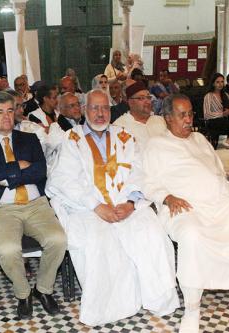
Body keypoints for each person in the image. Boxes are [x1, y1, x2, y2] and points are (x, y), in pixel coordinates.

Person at [46, 90, 179, 326]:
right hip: (87, 208)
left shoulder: (125, 136)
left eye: (105, 108)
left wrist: (129, 203)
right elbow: (64, 180)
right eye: (95, 108)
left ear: (111, 110)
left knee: (151, 233)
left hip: (125, 204)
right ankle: (110, 308)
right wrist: (97, 206)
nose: (100, 113)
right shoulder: (71, 139)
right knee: (100, 241)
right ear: (85, 111)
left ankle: (156, 298)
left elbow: (139, 171)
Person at [142, 93, 229, 333]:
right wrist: (166, 197)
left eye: (190, 114)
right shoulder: (156, 145)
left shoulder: (199, 138)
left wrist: (223, 192)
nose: (188, 119)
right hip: (186, 208)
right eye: (182, 115)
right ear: (167, 118)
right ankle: (192, 308)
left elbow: (218, 171)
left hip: (221, 205)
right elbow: (147, 183)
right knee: (192, 236)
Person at [0, 91, 67, 320]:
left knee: (58, 240)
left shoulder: (29, 139)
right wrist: (20, 166)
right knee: (7, 250)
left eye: (10, 111)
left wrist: (3, 175)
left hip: (36, 205)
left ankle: (43, 289)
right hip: (1, 209)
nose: (6, 116)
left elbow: (39, 171)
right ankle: (23, 293)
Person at [113, 81, 166, 149]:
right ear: (131, 102)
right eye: (141, 98)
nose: (147, 101)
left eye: (148, 97)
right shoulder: (120, 126)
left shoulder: (161, 121)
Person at [203, 73, 229, 148]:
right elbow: (207, 114)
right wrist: (222, 114)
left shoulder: (226, 94)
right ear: (213, 83)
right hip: (213, 121)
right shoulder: (209, 96)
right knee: (225, 122)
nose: (220, 84)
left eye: (222, 82)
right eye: (218, 82)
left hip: (225, 119)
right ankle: (227, 142)